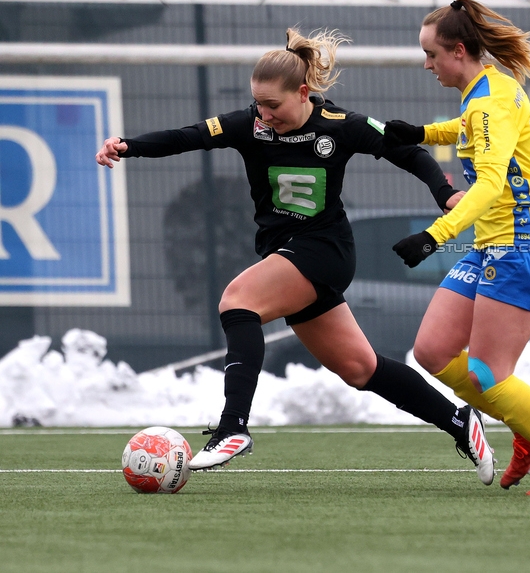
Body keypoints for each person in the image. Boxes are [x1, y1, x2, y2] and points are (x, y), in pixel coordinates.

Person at [95, 28, 494, 483]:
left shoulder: (342, 125)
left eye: (273, 106)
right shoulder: (250, 124)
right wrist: (129, 146)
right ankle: (460, 421)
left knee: (237, 301)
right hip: (285, 254)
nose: (263, 115)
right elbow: (188, 136)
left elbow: (407, 151)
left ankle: (233, 428)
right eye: (257, 104)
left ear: (303, 93)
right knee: (360, 369)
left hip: (324, 250)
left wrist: (444, 193)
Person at [382, 0, 530, 496]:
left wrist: (433, 236)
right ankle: (524, 424)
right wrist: (420, 132)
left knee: (486, 373)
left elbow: (488, 184)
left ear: (458, 50)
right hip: (495, 245)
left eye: (431, 54)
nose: (426, 64)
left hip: (522, 248)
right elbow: (472, 133)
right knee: (433, 351)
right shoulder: (488, 89)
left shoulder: (488, 100)